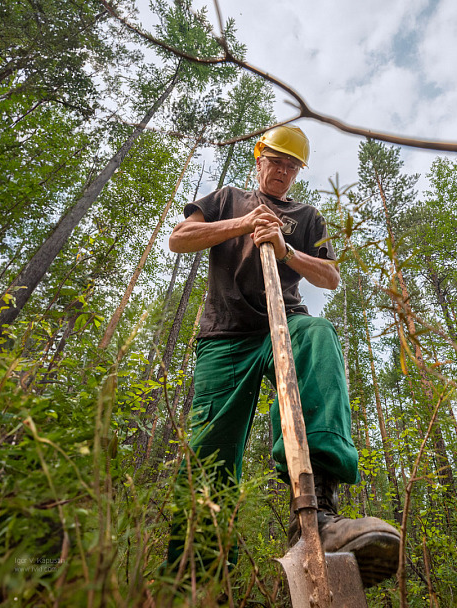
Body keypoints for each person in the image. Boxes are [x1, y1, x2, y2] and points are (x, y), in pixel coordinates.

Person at [166, 125, 400, 587]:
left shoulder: (308, 215)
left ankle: (319, 515)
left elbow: (330, 278)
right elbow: (180, 238)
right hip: (225, 334)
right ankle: (196, 576)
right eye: (276, 161)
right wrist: (246, 224)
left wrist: (286, 247)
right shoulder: (228, 197)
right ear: (259, 159)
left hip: (284, 322)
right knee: (210, 450)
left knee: (317, 333)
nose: (282, 171)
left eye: (292, 166)